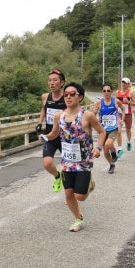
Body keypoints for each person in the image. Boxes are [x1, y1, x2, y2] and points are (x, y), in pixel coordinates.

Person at [40, 82, 106, 232]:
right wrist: (45, 137)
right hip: (67, 160)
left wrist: (98, 148)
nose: (68, 97)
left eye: (72, 94)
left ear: (80, 97)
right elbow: (54, 133)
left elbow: (102, 131)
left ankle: (90, 184)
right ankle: (78, 219)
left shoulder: (87, 116)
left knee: (80, 196)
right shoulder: (59, 116)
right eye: (66, 94)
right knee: (69, 193)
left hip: (84, 161)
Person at [35, 69, 66, 192]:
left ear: (62, 83)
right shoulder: (45, 97)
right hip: (50, 136)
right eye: (49, 80)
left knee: (69, 167)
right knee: (47, 163)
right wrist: (39, 122)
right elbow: (44, 109)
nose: (52, 83)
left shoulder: (67, 98)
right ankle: (57, 176)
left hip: (65, 137)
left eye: (55, 80)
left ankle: (72, 190)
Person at [93, 82, 125, 174]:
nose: (106, 92)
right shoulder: (99, 102)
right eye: (104, 91)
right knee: (105, 151)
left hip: (113, 128)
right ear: (102, 92)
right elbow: (93, 114)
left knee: (108, 144)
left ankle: (114, 151)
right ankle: (112, 164)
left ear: (111, 92)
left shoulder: (116, 101)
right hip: (103, 130)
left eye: (108, 90)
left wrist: (122, 119)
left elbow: (123, 109)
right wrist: (94, 114)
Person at [115, 77, 135, 157]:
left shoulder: (131, 93)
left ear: (128, 84)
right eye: (122, 82)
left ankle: (128, 141)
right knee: (118, 131)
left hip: (128, 114)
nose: (123, 84)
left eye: (125, 83)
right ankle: (120, 148)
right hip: (119, 114)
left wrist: (128, 102)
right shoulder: (117, 92)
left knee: (128, 130)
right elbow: (115, 102)